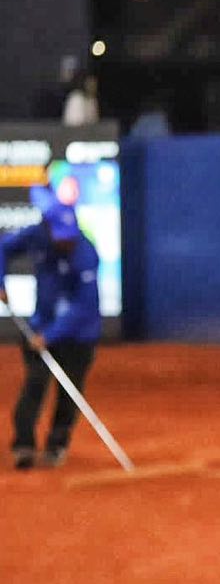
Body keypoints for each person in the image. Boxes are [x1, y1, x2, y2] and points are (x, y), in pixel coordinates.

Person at [2, 192, 102, 469]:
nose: (65, 242)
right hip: (39, 327)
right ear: (47, 228)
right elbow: (3, 248)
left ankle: (57, 443)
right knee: (35, 383)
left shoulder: (86, 254)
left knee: (69, 392)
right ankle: (23, 444)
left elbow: (83, 308)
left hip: (78, 336)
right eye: (60, 236)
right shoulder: (36, 235)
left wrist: (51, 335)